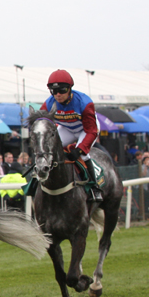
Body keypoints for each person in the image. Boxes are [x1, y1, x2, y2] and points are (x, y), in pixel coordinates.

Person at [41, 69, 103, 202]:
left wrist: (79, 149)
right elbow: (41, 122)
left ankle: (94, 187)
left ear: (70, 89)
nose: (58, 94)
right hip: (67, 128)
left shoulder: (85, 103)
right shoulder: (48, 103)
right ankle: (38, 183)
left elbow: (91, 131)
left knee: (83, 155)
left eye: (62, 90)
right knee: (49, 150)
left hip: (85, 129)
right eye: (53, 91)